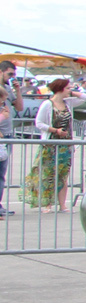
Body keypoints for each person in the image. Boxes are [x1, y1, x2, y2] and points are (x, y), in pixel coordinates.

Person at [25, 78, 83, 210]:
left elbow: (85, 97)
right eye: (68, 88)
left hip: (66, 144)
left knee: (63, 174)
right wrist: (55, 130)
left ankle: (62, 204)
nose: (70, 90)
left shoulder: (68, 103)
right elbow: (39, 123)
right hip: (50, 144)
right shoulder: (47, 104)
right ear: (60, 89)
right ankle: (48, 204)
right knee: (48, 174)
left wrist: (72, 93)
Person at [0, 61, 21, 217]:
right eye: (9, 74)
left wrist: (18, 90)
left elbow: (19, 107)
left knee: (1, 173)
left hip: (7, 135)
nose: (12, 77)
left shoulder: (7, 90)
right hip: (1, 135)